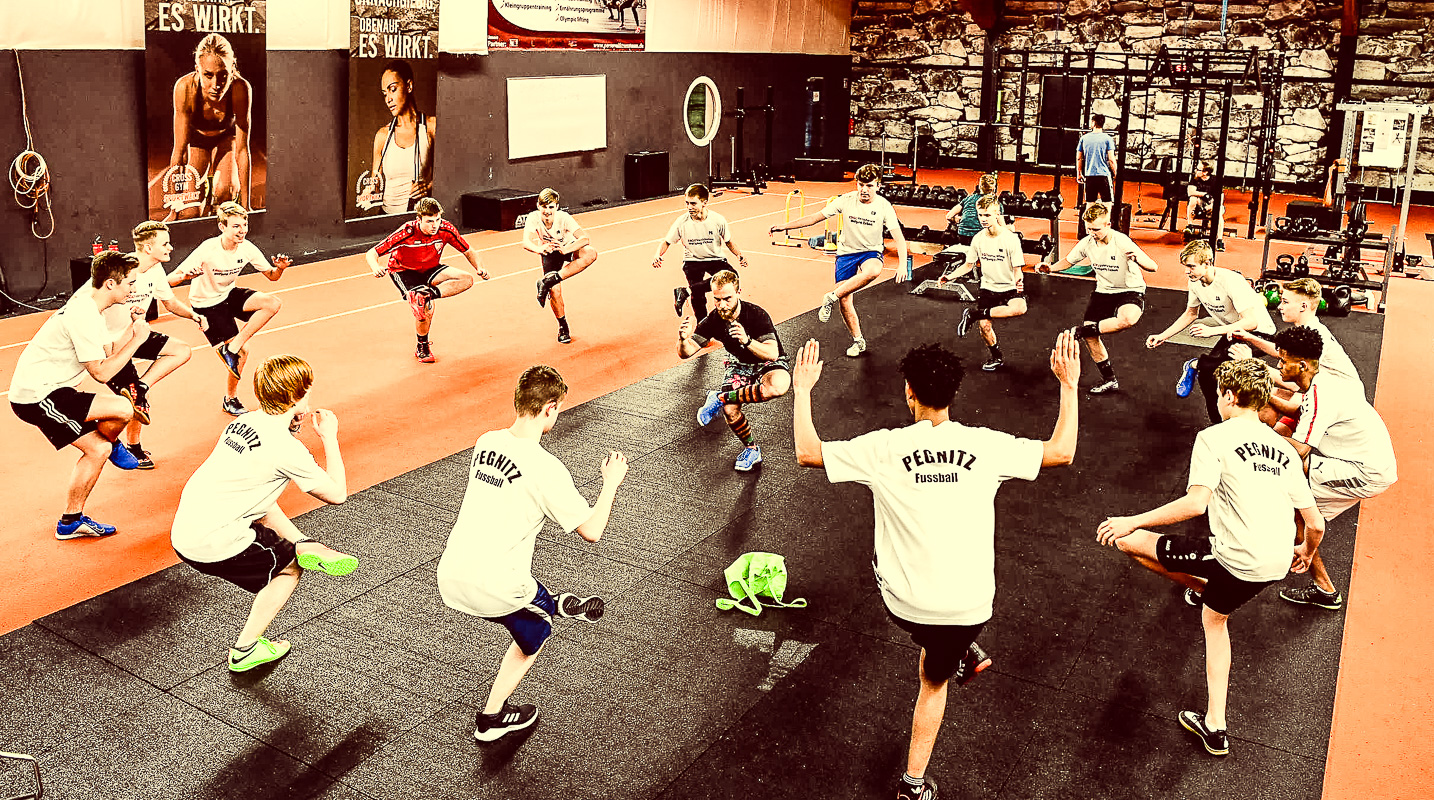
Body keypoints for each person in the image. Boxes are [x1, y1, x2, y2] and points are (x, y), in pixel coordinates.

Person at [792, 332, 1081, 800]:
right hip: (969, 609)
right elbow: (1061, 451)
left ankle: (917, 766)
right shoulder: (986, 445)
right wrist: (1068, 384)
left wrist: (802, 389)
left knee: (926, 655)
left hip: (902, 605)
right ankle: (915, 777)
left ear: (909, 392)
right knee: (937, 672)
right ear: (953, 394)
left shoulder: (884, 447)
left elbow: (808, 451)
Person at [1097, 359, 1324, 758]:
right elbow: (1315, 523)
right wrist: (1305, 550)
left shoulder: (1213, 438)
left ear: (1229, 396)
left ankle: (1217, 723)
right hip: (1275, 565)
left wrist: (1131, 520)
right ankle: (1213, 719)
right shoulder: (1286, 452)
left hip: (1236, 560)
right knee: (1215, 610)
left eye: (1218, 394)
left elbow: (1196, 503)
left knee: (1129, 543)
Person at [437, 365, 629, 742]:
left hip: (450, 571)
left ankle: (553, 600)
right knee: (538, 631)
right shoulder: (547, 468)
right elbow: (592, 531)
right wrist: (610, 485)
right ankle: (492, 719)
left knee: (525, 588)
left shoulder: (485, 441)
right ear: (550, 408)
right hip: (492, 588)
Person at [171, 354, 357, 672]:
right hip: (213, 541)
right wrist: (330, 436)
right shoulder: (286, 449)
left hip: (185, 530)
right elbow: (337, 494)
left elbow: (260, 501)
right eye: (307, 391)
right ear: (298, 397)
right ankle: (245, 650)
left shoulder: (240, 424)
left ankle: (304, 542)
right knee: (289, 569)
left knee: (265, 504)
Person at [9, 252, 149, 538]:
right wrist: (138, 341)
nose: (134, 289)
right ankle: (114, 441)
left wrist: (132, 330)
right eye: (130, 283)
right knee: (124, 408)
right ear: (110, 284)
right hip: (37, 396)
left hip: (54, 391)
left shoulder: (93, 308)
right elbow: (101, 373)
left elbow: (111, 353)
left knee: (98, 449)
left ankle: (70, 521)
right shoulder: (83, 315)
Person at [1269, 326, 1396, 611]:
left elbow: (1298, 450)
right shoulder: (1321, 381)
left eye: (1282, 359)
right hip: (1357, 462)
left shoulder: (1320, 396)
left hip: (1365, 472)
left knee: (1292, 491)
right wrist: (1265, 396)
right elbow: (1296, 413)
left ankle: (1321, 586)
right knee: (1296, 513)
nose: (1278, 364)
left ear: (1301, 365)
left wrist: (1249, 433)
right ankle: (1314, 572)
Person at [92, 221, 209, 469]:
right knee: (128, 406)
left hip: (137, 334)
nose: (170, 247)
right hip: (111, 344)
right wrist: (105, 345)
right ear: (147, 247)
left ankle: (141, 387)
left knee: (181, 350)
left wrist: (193, 315)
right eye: (164, 244)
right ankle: (106, 441)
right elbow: (91, 307)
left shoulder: (155, 270)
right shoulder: (118, 270)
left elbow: (170, 302)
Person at [768, 163, 909, 358]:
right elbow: (814, 218)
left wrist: (902, 264)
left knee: (874, 271)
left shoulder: (884, 206)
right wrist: (784, 227)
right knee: (845, 300)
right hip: (846, 253)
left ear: (877, 185)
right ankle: (858, 341)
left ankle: (830, 297)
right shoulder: (846, 200)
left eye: (869, 185)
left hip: (870, 251)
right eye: (860, 184)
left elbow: (899, 238)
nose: (864, 190)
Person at [168, 201, 290, 415]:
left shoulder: (247, 248)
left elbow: (272, 276)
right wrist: (187, 276)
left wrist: (279, 269)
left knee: (272, 303)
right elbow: (170, 280)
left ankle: (231, 349)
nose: (242, 230)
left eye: (244, 224)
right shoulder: (208, 249)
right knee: (245, 352)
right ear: (222, 227)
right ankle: (230, 399)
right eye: (235, 226)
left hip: (227, 295)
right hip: (205, 304)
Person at [1146, 239, 1274, 424]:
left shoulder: (1231, 281)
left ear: (1207, 263)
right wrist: (1162, 336)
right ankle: (1217, 422)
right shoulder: (1195, 283)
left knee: (1213, 368)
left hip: (1259, 334)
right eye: (1185, 266)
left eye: (1191, 266)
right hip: (1233, 332)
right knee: (1208, 374)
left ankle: (1194, 365)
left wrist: (1212, 331)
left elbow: (1251, 322)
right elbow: (1190, 314)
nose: (1186, 271)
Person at [1041, 202, 1159, 394]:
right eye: (1089, 229)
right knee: (1091, 336)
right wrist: (1051, 268)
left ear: (1108, 225)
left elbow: (1153, 266)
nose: (1092, 233)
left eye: (1096, 229)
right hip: (1104, 291)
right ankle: (1109, 379)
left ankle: (1081, 330)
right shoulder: (1087, 243)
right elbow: (1069, 261)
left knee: (1128, 319)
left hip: (1129, 289)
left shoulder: (1121, 241)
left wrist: (1137, 259)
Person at [679, 270, 790, 472]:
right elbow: (686, 353)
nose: (722, 305)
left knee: (777, 386)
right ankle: (752, 450)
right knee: (731, 411)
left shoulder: (756, 315)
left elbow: (772, 353)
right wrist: (683, 339)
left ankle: (720, 398)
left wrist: (747, 341)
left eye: (727, 298)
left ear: (739, 293)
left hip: (765, 361)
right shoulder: (713, 320)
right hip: (739, 364)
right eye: (717, 299)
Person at [365, 197, 489, 363]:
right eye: (430, 221)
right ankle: (422, 347)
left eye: (437, 220)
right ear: (419, 220)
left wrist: (479, 268)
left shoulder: (446, 229)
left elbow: (468, 250)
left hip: (430, 268)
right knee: (425, 311)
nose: (435, 225)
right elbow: (372, 252)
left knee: (466, 279)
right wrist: (376, 267)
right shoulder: (406, 232)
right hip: (404, 271)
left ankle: (426, 294)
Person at [1233, 277, 1363, 432]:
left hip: (1340, 404)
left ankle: (1264, 444)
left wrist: (1251, 363)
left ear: (1303, 306)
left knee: (1263, 398)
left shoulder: (1317, 335)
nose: (1280, 307)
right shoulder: (1307, 330)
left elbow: (1294, 384)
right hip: (1321, 396)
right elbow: (1281, 352)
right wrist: (1249, 337)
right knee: (1266, 400)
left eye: (1285, 302)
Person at [163, 33, 253, 220]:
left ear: (233, 69)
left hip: (226, 139)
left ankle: (218, 189)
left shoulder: (240, 89)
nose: (216, 85)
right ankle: (203, 186)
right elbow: (179, 152)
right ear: (197, 69)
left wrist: (247, 206)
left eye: (223, 75)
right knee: (190, 212)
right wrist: (173, 210)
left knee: (225, 194)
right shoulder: (184, 88)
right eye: (208, 75)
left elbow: (243, 151)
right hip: (198, 142)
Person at [951, 194, 1028, 372]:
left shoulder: (1010, 239)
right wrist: (949, 277)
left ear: (997, 214)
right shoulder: (978, 239)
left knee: (1020, 308)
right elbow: (968, 265)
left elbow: (1017, 269)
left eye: (987, 215)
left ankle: (974, 314)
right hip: (988, 287)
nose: (983, 219)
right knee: (985, 326)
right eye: (980, 215)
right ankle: (996, 357)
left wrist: (1019, 280)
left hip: (1009, 286)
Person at [653, 183, 749, 319]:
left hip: (715, 259)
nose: (689, 207)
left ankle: (685, 291)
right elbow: (666, 242)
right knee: (698, 296)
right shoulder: (682, 222)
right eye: (687, 203)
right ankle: (702, 325)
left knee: (732, 278)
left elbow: (729, 241)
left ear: (704, 203)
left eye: (693, 203)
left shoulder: (717, 220)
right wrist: (658, 255)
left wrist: (739, 255)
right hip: (692, 260)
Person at [362, 60, 436, 216]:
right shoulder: (382, 136)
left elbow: (450, 176)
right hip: (385, 217)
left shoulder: (431, 126)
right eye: (384, 93)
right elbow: (375, 181)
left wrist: (428, 188)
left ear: (408, 86)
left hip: (417, 219)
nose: (388, 99)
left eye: (392, 89)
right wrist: (369, 191)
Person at [526, 189, 599, 345]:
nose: (547, 211)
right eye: (544, 207)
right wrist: (540, 249)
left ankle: (549, 280)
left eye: (551, 207)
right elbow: (526, 242)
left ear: (557, 207)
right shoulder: (533, 218)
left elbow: (585, 238)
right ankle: (563, 326)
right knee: (555, 291)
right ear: (538, 206)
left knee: (591, 253)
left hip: (566, 247)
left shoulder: (564, 218)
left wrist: (565, 249)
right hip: (549, 253)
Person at [944, 173, 999, 246]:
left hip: (963, 236)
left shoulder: (968, 199)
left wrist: (959, 220)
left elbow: (949, 216)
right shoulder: (995, 203)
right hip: (981, 237)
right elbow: (1002, 226)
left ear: (979, 187)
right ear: (994, 188)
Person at [1076, 114, 1117, 209]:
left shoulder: (1084, 138)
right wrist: (1116, 173)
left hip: (1090, 175)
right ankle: (1105, 223)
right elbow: (1111, 159)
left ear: (1093, 123)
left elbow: (1079, 158)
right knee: (1107, 204)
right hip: (1104, 175)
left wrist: (1079, 173)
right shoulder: (1108, 139)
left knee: (1090, 204)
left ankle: (1089, 224)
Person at [1185, 162, 1225, 249]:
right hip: (1200, 204)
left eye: (1198, 170)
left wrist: (1209, 207)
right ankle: (1190, 225)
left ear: (1205, 172)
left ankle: (1220, 240)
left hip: (1212, 206)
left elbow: (1221, 198)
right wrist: (1204, 194)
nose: (1196, 171)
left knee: (1220, 213)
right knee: (1192, 199)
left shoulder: (1215, 180)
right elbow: (1190, 192)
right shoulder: (1195, 179)